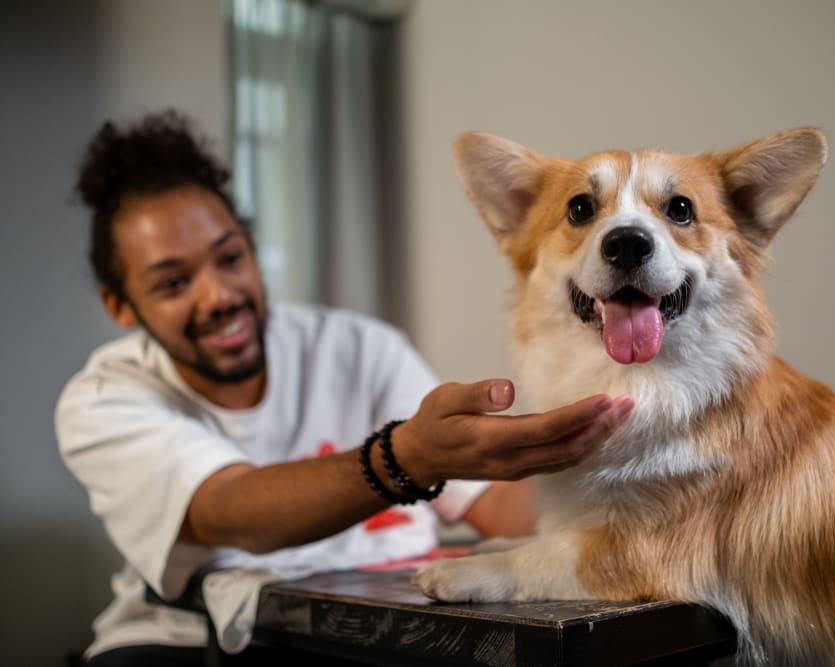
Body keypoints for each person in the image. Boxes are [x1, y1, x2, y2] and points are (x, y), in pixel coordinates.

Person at [55, 110, 634, 666]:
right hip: (183, 638)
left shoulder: (359, 347)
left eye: (230, 258)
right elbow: (228, 510)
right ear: (119, 304)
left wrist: (623, 497)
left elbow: (487, 501)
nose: (219, 295)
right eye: (175, 282)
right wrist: (405, 458)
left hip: (379, 629)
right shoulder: (105, 398)